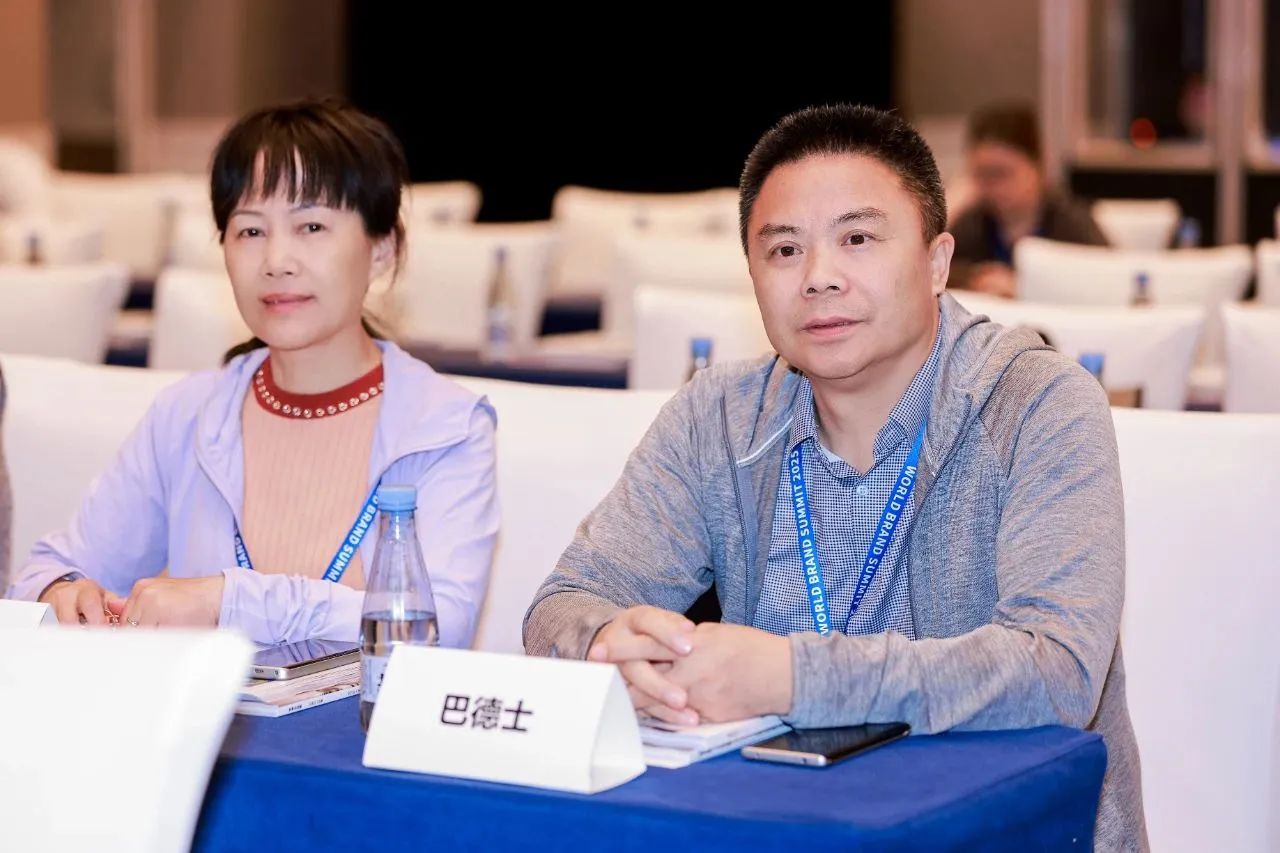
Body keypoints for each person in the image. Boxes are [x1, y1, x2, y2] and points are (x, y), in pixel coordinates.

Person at [524, 104, 1145, 850]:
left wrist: (793, 676)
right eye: (785, 250)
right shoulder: (717, 416)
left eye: (857, 239)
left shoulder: (1036, 402)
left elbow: (1057, 670)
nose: (819, 278)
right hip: (775, 827)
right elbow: (562, 602)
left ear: (937, 261)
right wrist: (609, 643)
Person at [7, 99, 498, 647]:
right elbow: (46, 571)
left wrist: (230, 601)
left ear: (383, 248)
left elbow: (439, 624)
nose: (276, 261)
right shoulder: (188, 414)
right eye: (250, 232)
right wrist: (61, 592)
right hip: (201, 705)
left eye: (312, 226)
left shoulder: (445, 426)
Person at [948, 103, 1107, 297]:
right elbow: (933, 274)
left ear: (1038, 166)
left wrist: (1024, 288)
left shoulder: (1072, 223)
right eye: (982, 174)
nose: (993, 185)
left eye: (1002, 173)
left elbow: (1107, 282)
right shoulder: (973, 224)